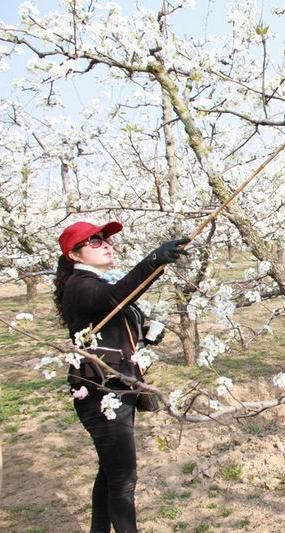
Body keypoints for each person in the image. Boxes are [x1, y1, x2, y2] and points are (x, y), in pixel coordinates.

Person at [54, 220, 189, 533]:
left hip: (116, 388)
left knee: (111, 471)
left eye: (106, 239)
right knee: (123, 479)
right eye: (95, 241)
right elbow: (116, 298)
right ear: (74, 255)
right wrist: (154, 261)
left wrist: (146, 335)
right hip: (101, 394)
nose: (106, 244)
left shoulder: (97, 283)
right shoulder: (82, 285)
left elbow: (117, 318)